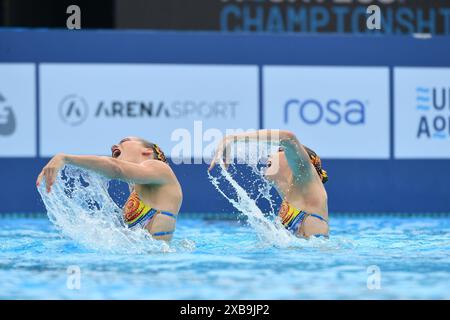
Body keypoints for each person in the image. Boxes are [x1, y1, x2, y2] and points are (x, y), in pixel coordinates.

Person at [36, 137, 182, 241]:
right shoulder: (135, 195)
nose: (113, 146)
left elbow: (115, 168)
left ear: (147, 152)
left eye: (124, 141)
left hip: (156, 270)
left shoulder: (161, 169)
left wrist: (65, 158)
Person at [209, 130, 329, 239]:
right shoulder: (290, 202)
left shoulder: (307, 183)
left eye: (279, 151)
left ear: (294, 161)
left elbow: (289, 138)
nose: (269, 156)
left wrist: (231, 138)